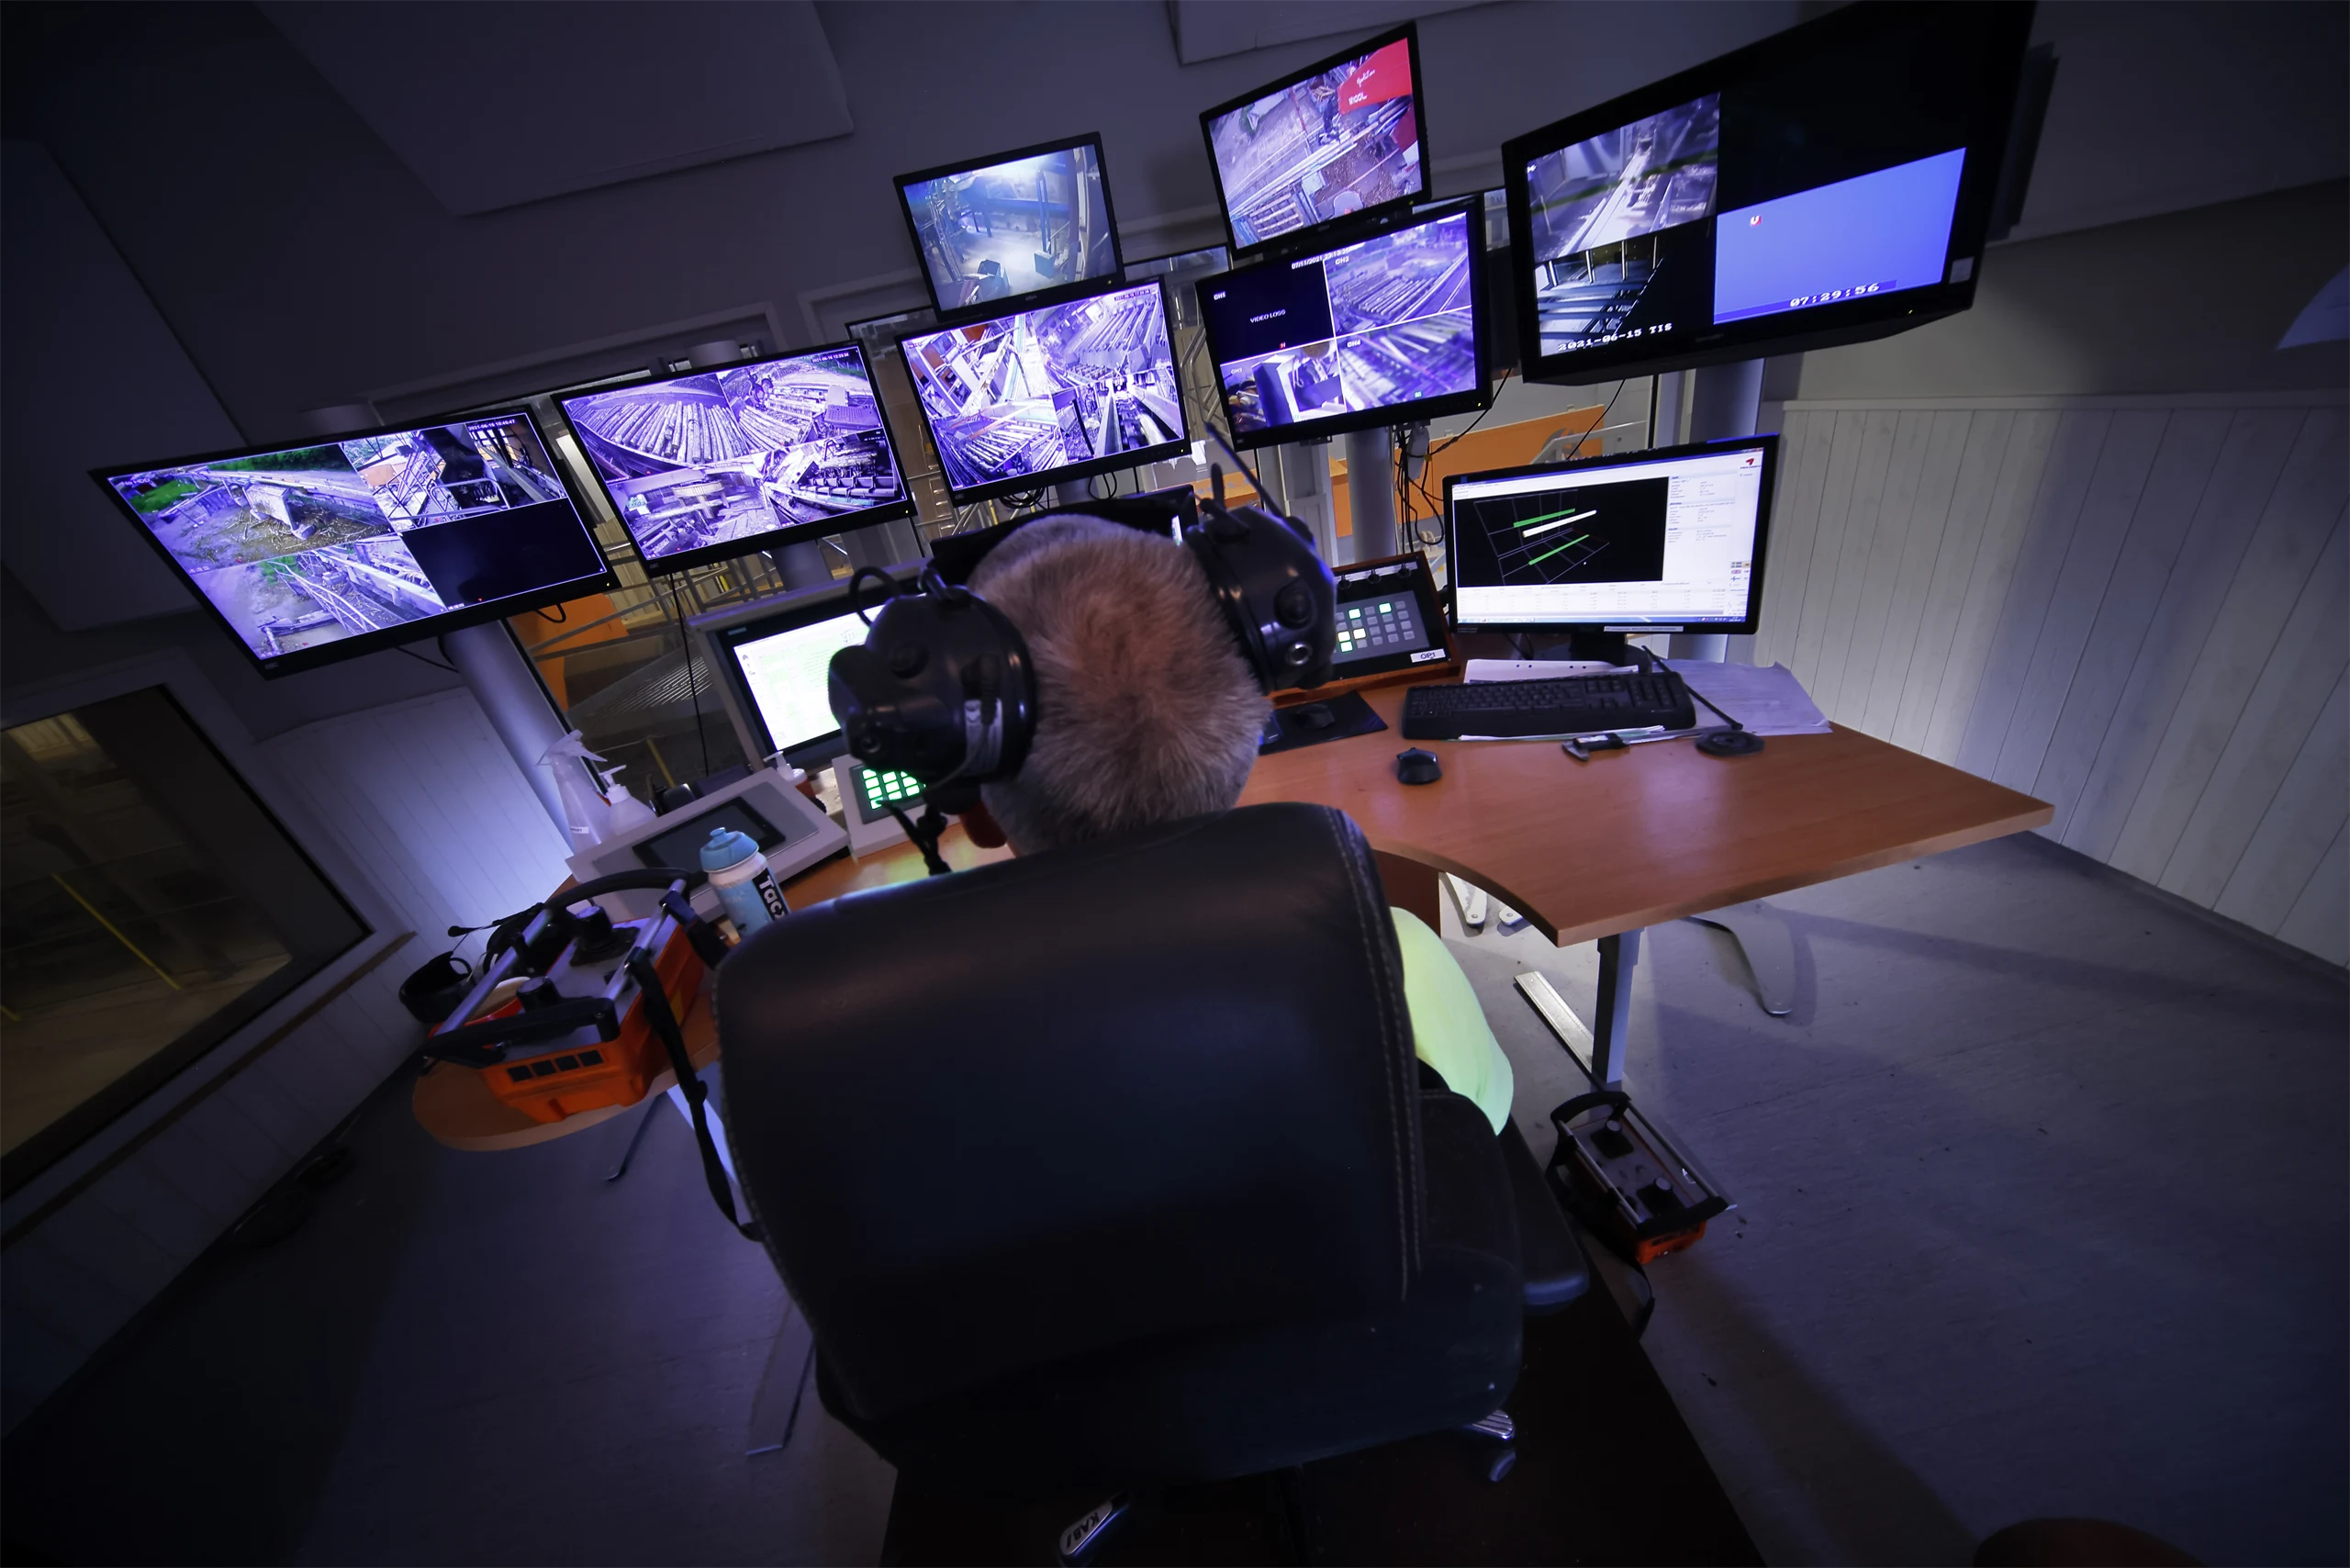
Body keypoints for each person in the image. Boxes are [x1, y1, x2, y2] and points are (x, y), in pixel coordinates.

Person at [955, 513, 1516, 1133]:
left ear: (972, 807)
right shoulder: (1400, 962)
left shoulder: (930, 1070)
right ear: (1247, 746)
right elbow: (1488, 1122)